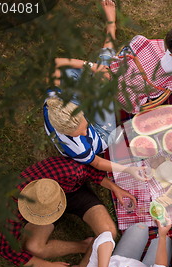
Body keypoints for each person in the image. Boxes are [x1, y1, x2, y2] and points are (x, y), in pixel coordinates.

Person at [43, 0, 147, 181]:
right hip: (101, 133)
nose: (84, 133)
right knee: (105, 76)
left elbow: (55, 64)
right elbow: (97, 163)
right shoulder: (77, 147)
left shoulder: (53, 102)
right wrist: (129, 170)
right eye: (81, 133)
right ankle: (111, 26)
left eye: (83, 127)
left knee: (89, 71)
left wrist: (92, 67)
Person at [0, 156, 136, 267]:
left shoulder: (67, 170)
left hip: (74, 192)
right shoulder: (12, 209)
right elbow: (7, 250)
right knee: (33, 247)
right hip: (49, 202)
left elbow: (90, 171)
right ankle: (84, 246)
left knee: (108, 231)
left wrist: (115, 188)